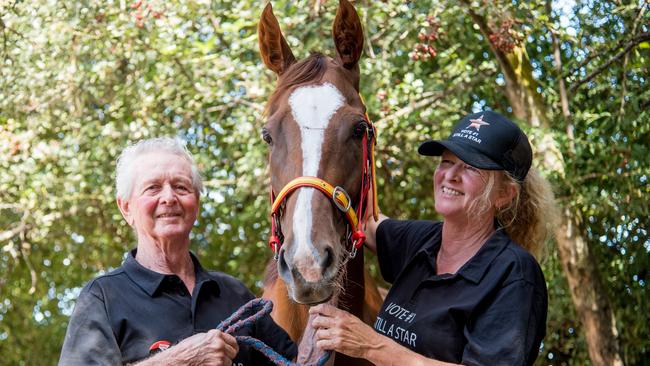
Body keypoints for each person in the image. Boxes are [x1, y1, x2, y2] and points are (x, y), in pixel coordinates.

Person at [310, 111, 555, 365]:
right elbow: (365, 220)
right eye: (447, 162)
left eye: (470, 167)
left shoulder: (514, 274)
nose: (451, 175)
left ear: (504, 194)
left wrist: (372, 346)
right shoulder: (423, 240)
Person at [59, 137, 296, 365]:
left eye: (181, 187)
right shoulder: (103, 297)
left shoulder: (234, 294)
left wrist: (330, 339)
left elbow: (295, 363)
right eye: (152, 188)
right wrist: (182, 359)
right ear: (126, 208)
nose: (169, 198)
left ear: (197, 203)